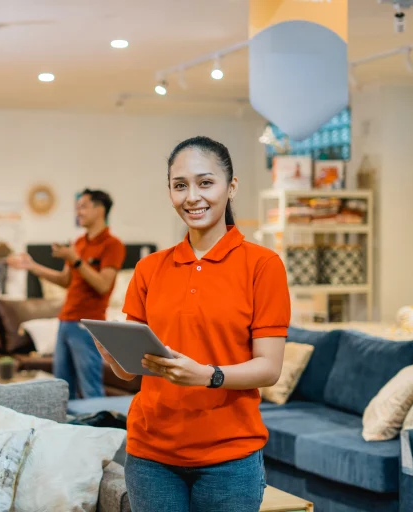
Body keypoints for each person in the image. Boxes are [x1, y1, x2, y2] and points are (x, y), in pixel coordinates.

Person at [98, 136, 290, 511]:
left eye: (206, 183)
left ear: (231, 186)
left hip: (230, 457)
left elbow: (269, 368)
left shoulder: (263, 266)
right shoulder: (150, 268)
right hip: (151, 455)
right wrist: (113, 355)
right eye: (180, 185)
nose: (192, 197)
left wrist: (207, 376)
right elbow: (131, 373)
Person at [8, 189, 125, 399]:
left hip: (88, 325)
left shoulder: (113, 245)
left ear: (100, 209)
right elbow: (65, 280)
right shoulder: (79, 243)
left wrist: (75, 259)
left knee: (90, 390)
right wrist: (32, 266)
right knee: (62, 389)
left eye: (83, 207)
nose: (78, 212)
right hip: (65, 321)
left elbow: (103, 285)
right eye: (77, 207)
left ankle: (99, 430)